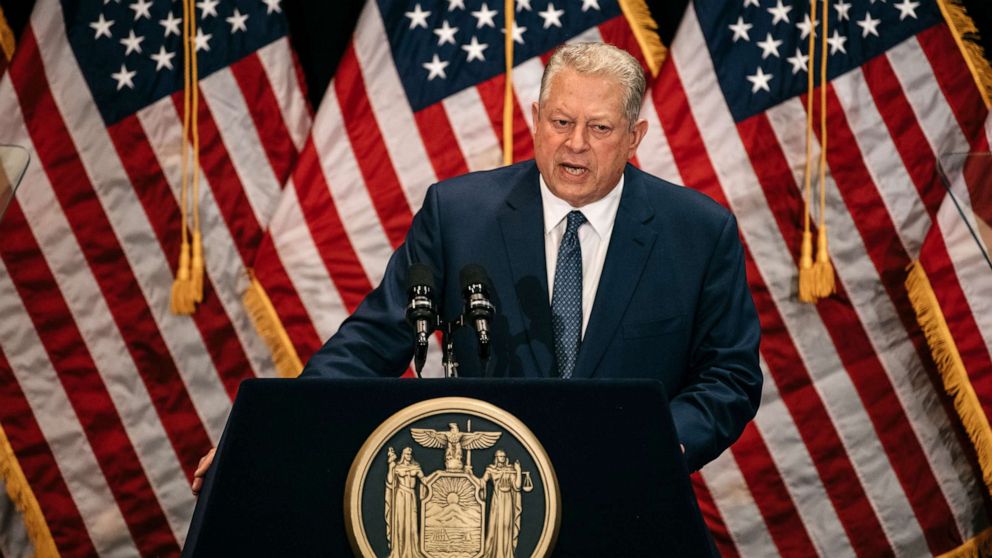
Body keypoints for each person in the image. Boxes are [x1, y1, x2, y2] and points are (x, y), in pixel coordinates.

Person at [193, 42, 760, 494]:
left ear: (635, 137)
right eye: (561, 122)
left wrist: (656, 443)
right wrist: (266, 437)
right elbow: (370, 343)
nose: (577, 144)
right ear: (535, 119)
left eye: (601, 128)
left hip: (630, 494)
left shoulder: (698, 232)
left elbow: (729, 376)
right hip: (487, 495)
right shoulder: (459, 215)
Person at [385, 447, 428, 558]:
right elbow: (390, 482)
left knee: (413, 524)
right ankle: (399, 551)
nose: (409, 456)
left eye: (410, 454)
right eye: (407, 454)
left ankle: (413, 550)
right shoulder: (397, 467)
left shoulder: (416, 467)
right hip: (401, 495)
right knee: (401, 522)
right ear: (403, 455)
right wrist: (390, 468)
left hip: (411, 495)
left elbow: (424, 480)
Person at [479, 450, 522, 558]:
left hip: (507, 499)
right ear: (496, 458)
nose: (502, 458)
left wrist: (518, 470)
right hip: (497, 499)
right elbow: (482, 481)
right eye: (500, 456)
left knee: (507, 525)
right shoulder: (491, 470)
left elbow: (517, 486)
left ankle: (505, 554)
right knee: (494, 525)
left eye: (503, 456)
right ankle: (493, 552)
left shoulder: (510, 470)